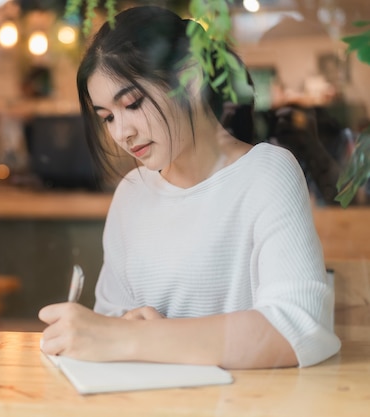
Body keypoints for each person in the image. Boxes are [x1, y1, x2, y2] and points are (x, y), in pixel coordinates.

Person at [38, 6, 341, 369]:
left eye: (132, 104)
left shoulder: (265, 173)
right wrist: (118, 328)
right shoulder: (132, 193)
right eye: (107, 117)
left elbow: (300, 329)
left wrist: (135, 336)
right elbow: (110, 325)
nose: (121, 133)